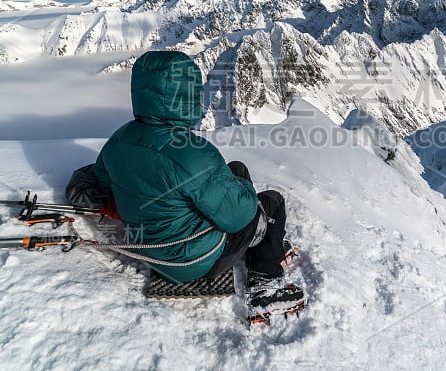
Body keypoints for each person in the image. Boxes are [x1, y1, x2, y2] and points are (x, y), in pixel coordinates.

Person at [91, 50, 303, 312]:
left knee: (236, 168)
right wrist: (246, 192)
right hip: (192, 262)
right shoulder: (194, 153)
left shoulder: (118, 139)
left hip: (147, 248)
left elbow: (101, 182)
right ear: (187, 97)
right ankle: (266, 281)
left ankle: (263, 241)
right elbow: (239, 217)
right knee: (271, 203)